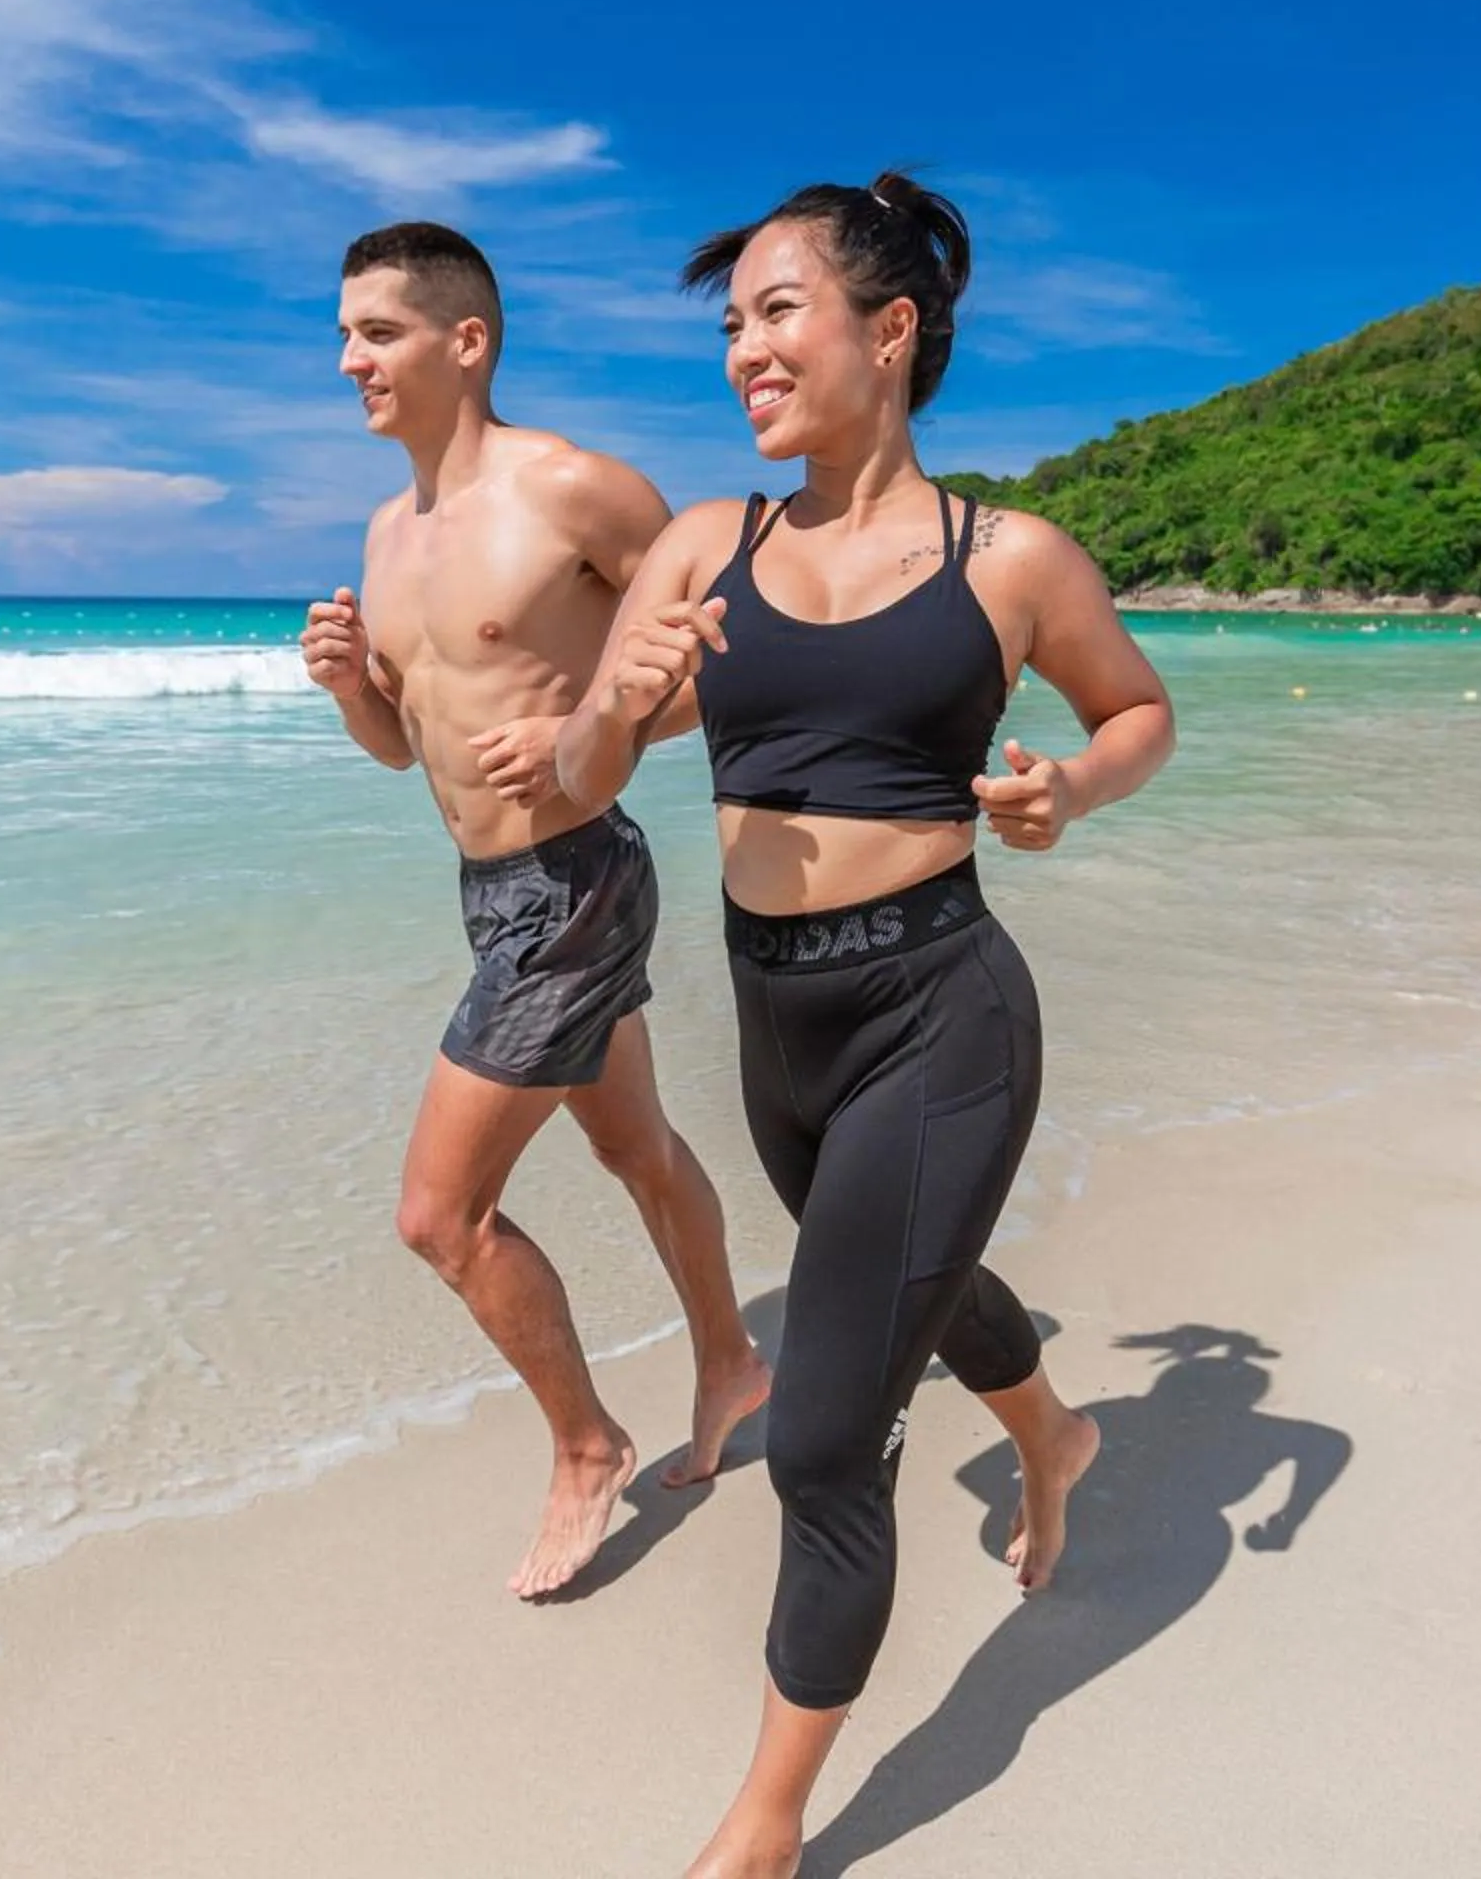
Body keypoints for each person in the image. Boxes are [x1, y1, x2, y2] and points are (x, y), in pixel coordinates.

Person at [556, 174, 1176, 1875]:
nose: (744, 353)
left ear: (887, 332)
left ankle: (764, 1826)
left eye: (776, 312)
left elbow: (1136, 711)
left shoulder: (1011, 560)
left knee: (825, 1433)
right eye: (731, 324)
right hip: (777, 1027)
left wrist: (1072, 790)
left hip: (940, 1006)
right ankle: (1055, 1431)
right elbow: (582, 777)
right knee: (895, 1274)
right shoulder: (705, 545)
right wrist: (616, 699)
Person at [304, 222, 769, 1600]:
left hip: (576, 886)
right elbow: (408, 749)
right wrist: (349, 686)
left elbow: (733, 654)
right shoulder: (386, 537)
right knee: (637, 1147)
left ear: (466, 340)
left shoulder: (574, 490)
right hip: (491, 892)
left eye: (376, 333)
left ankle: (585, 1445)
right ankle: (735, 1363)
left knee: (439, 1217)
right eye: (341, 336)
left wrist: (588, 731)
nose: (348, 362)